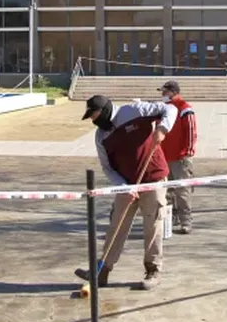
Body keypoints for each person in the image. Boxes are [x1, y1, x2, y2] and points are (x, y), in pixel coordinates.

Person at [74, 94, 177, 291]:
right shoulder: (101, 137)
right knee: (117, 225)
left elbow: (170, 109)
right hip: (126, 184)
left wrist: (163, 128)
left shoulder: (134, 111)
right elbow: (107, 168)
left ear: (104, 110)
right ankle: (102, 271)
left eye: (94, 115)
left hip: (153, 179)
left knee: (153, 225)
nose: (93, 120)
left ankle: (153, 269)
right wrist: (122, 187)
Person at [158, 80, 198, 235]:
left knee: (182, 192)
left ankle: (186, 221)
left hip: (180, 158)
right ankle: (170, 219)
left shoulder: (185, 109)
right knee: (166, 192)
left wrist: (187, 152)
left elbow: (191, 131)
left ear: (173, 92)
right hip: (164, 157)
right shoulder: (163, 109)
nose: (162, 95)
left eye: (164, 92)